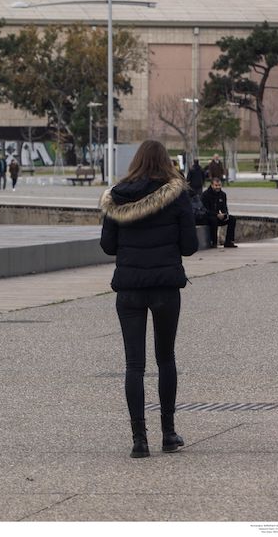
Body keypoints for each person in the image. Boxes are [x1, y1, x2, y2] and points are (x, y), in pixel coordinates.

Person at [100, 139, 197, 458]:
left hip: (129, 288)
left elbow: (108, 246)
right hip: (165, 287)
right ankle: (168, 434)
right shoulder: (177, 195)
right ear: (166, 161)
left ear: (137, 162)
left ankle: (139, 439)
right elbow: (189, 246)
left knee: (134, 365)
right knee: (166, 358)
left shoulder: (117, 196)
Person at [201, 177, 237, 248]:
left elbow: (224, 208)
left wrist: (224, 214)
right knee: (213, 220)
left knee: (232, 219)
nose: (218, 187)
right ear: (212, 185)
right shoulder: (205, 195)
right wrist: (216, 214)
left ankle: (229, 241)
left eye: (219, 185)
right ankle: (213, 242)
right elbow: (205, 210)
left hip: (218, 216)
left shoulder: (223, 194)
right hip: (208, 217)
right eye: (216, 185)